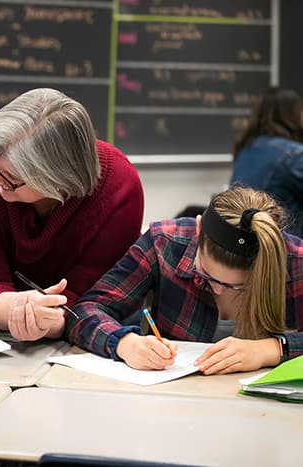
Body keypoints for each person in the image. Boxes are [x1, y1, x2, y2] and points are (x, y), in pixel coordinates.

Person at [0, 88, 144, 341]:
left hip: (90, 325)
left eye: (12, 179)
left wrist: (45, 319)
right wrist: (17, 309)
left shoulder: (119, 186)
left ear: (58, 179)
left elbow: (93, 298)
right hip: (0, 321)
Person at [69, 186, 303, 374]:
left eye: (239, 287)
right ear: (199, 229)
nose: (219, 291)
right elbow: (86, 310)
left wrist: (271, 349)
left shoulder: (296, 262)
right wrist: (125, 343)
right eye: (206, 275)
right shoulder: (164, 244)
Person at [230, 87, 303, 236]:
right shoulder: (293, 155)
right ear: (293, 115)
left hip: (244, 241)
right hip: (283, 245)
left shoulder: (247, 146)